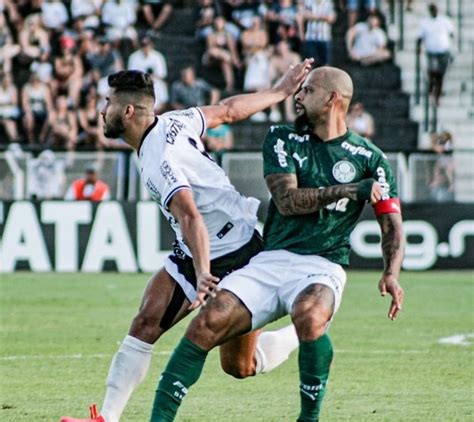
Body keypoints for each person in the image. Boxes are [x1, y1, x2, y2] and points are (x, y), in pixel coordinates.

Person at [60, 60, 314, 422]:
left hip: (239, 255)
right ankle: (106, 418)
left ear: (128, 111)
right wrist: (279, 91)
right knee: (146, 321)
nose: (102, 110)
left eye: (108, 103)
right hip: (197, 251)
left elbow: (189, 214)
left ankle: (293, 335)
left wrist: (203, 272)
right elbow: (227, 111)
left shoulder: (160, 160)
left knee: (240, 366)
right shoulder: (174, 120)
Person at [148, 66, 405, 422]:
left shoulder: (370, 158)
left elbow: (391, 222)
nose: (298, 97)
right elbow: (287, 201)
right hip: (268, 261)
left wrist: (391, 273)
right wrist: (349, 190)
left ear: (333, 99)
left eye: (308, 91)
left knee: (310, 315)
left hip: (321, 265)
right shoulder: (282, 138)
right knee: (207, 324)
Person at [416, 3, 454, 106]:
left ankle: (437, 94)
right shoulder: (425, 22)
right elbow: (419, 37)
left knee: (440, 74)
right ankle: (431, 88)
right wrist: (418, 47)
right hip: (431, 51)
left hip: (443, 50)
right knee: (433, 71)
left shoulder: (444, 20)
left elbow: (451, 33)